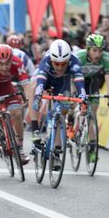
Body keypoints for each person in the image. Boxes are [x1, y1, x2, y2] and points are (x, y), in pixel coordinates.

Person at [30, 39, 86, 169]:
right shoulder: (46, 61)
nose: (60, 67)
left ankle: (56, 152)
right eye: (57, 64)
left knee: (62, 112)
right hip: (46, 79)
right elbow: (40, 82)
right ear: (51, 60)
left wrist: (82, 95)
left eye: (63, 64)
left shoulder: (74, 61)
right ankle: (35, 129)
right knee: (33, 89)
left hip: (62, 83)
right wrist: (38, 97)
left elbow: (79, 81)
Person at [75, 34, 109, 112]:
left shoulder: (105, 57)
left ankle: (90, 122)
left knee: (94, 107)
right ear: (88, 49)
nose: (98, 54)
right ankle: (70, 117)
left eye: (100, 50)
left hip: (91, 79)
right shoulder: (80, 56)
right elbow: (71, 76)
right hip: (76, 79)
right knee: (73, 105)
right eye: (94, 50)